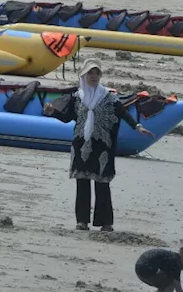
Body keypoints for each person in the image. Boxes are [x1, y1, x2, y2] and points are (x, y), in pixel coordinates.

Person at [45, 63, 152, 231]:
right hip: (81, 145)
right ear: (84, 76)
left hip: (103, 146)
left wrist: (138, 127)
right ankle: (82, 221)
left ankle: (106, 222)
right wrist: (53, 112)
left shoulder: (108, 97)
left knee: (102, 183)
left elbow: (123, 114)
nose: (93, 76)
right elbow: (68, 118)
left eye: (96, 73)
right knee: (82, 182)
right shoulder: (77, 97)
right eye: (90, 73)